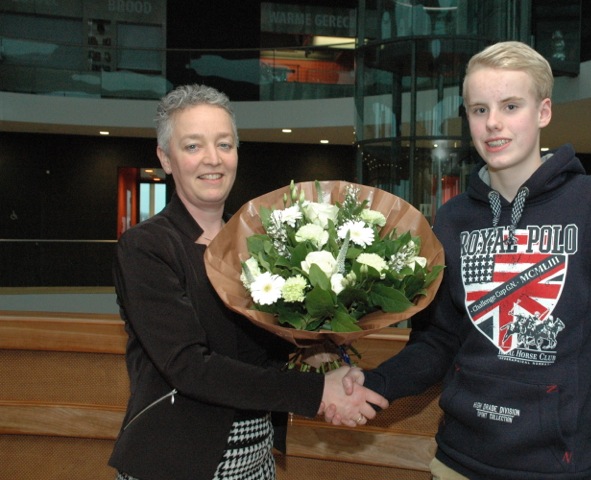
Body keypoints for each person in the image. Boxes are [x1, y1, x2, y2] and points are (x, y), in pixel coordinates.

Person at [337, 41, 591, 479]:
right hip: (455, 464)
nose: (493, 123)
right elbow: (438, 341)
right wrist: (374, 383)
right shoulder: (455, 217)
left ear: (543, 112)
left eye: (510, 105)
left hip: (556, 469)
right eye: (479, 110)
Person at [109, 84, 388, 480]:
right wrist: (315, 393)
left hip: (255, 456)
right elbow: (189, 367)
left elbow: (246, 349)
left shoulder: (258, 247)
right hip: (177, 461)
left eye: (224, 144)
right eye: (192, 146)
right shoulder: (146, 247)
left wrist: (307, 346)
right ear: (165, 159)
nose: (212, 159)